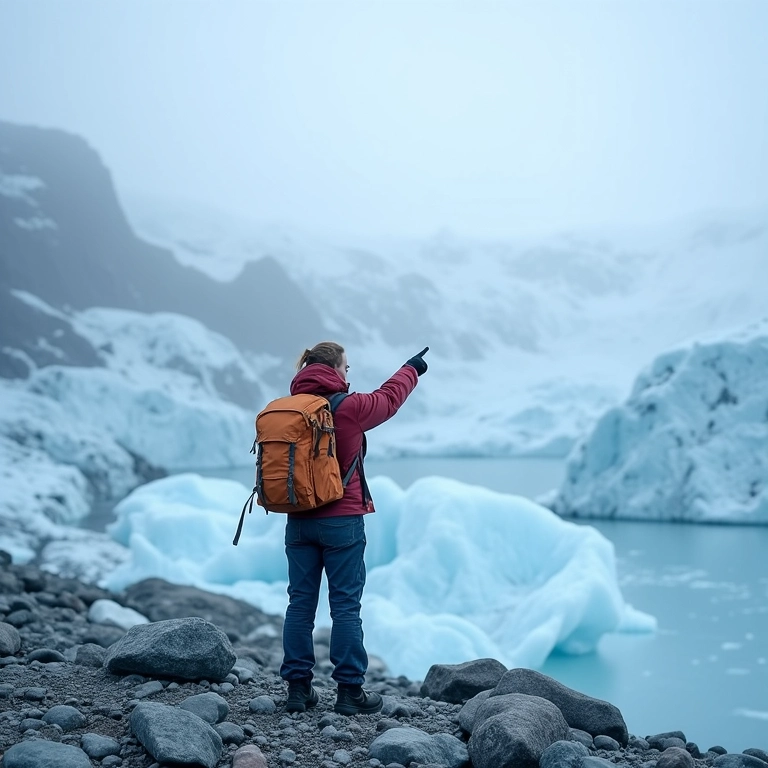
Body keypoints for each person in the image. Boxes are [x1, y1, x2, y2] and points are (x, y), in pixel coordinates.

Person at [281, 341, 429, 716]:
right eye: (347, 368)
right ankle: (350, 692)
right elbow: (389, 398)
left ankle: (298, 691)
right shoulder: (348, 407)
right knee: (345, 607)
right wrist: (411, 368)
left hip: (298, 521)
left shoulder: (286, 410)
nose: (349, 375)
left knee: (300, 605)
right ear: (334, 369)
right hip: (342, 520)